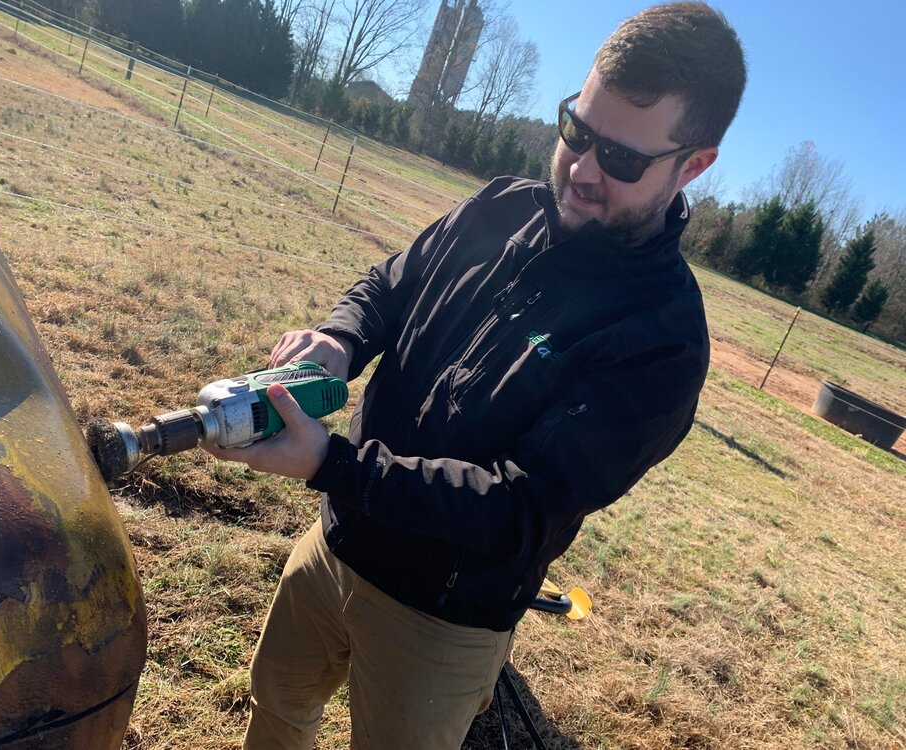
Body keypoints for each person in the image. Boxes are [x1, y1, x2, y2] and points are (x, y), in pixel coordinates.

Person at [205, 3, 746, 747]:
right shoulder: (500, 206)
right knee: (277, 707)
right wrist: (338, 340)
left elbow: (519, 507)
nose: (582, 170)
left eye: (620, 159)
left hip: (439, 619)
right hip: (334, 541)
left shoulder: (663, 341)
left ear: (694, 165)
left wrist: (331, 464)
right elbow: (390, 287)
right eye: (577, 132)